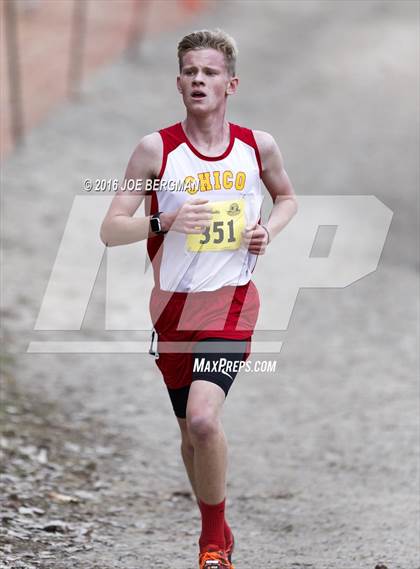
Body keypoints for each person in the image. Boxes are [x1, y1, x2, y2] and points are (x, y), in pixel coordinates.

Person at [100, 28, 297, 569]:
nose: (198, 80)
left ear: (231, 83)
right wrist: (163, 219)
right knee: (190, 433)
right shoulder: (154, 150)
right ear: (178, 83)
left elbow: (286, 198)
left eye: (209, 72)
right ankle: (219, 525)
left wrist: (267, 232)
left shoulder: (257, 146)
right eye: (189, 71)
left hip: (230, 301)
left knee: (206, 420)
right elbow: (110, 228)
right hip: (172, 309)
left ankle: (211, 544)